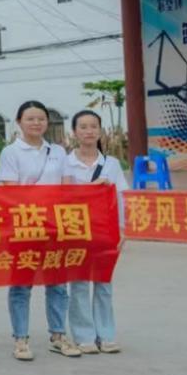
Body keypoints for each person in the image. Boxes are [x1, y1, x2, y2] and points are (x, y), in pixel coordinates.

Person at [0, 100, 81, 361]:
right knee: (21, 285)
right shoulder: (10, 152)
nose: (36, 123)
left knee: (57, 284)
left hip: (55, 227)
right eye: (30, 119)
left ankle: (58, 335)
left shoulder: (58, 151)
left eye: (41, 119)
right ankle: (21, 339)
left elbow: (66, 188)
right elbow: (10, 192)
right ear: (19, 122)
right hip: (24, 227)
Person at [63, 110, 127, 354]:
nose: (89, 131)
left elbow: (120, 198)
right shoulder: (66, 162)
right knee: (79, 283)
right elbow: (64, 197)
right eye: (83, 127)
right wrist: (92, 188)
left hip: (105, 231)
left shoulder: (111, 164)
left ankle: (106, 334)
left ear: (100, 131)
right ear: (74, 132)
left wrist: (122, 229)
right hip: (76, 230)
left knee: (103, 283)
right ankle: (84, 336)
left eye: (93, 126)